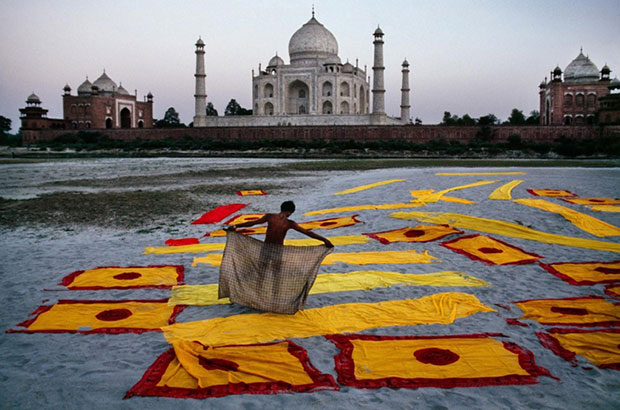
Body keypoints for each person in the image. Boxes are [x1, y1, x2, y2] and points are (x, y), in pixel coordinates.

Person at [225, 200, 334, 248]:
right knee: (277, 272)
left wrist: (236, 226)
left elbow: (252, 223)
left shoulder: (270, 217)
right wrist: (325, 240)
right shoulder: (289, 223)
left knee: (262, 270)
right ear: (289, 212)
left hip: (266, 247)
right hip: (278, 249)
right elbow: (307, 232)